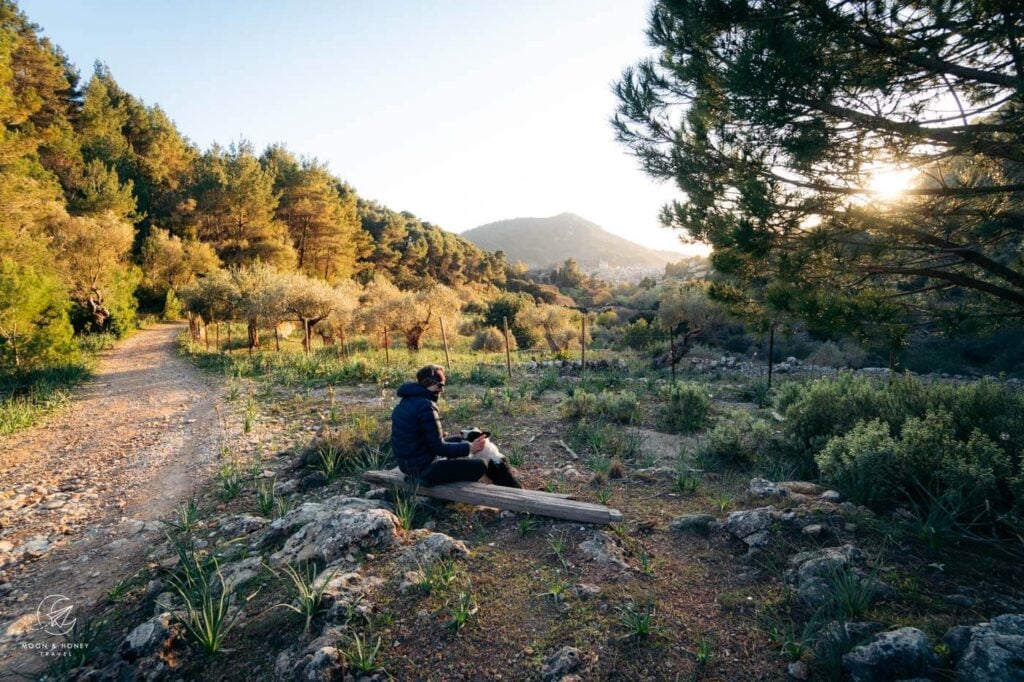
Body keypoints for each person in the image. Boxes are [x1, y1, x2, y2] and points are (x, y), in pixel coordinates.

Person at [390, 364, 491, 485]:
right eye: (440, 385)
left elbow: (413, 436)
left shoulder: (406, 401)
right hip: (423, 469)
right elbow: (439, 448)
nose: (442, 390)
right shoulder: (426, 406)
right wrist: (470, 448)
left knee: (459, 440)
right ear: (428, 383)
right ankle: (437, 492)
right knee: (481, 465)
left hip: (408, 464)